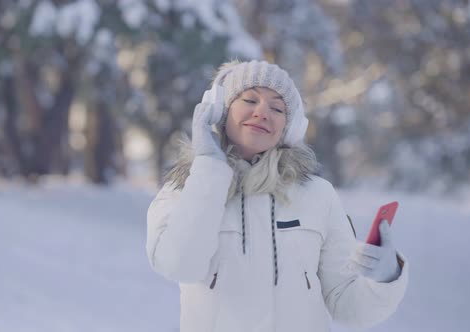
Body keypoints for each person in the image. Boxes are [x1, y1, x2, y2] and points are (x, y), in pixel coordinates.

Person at [146, 60, 408, 332]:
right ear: (219, 110)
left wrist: (385, 278)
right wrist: (209, 167)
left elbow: (347, 303)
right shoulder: (183, 190)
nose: (262, 113)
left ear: (289, 127)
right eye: (249, 99)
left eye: (277, 108)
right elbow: (179, 265)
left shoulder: (317, 195)